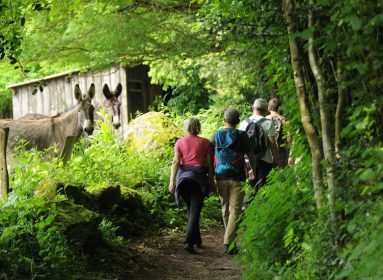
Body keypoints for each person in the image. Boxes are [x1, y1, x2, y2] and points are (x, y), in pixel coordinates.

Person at [212, 108, 257, 255]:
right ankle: (229, 242)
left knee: (225, 209)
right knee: (235, 211)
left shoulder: (216, 135)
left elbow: (209, 155)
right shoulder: (241, 135)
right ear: (237, 121)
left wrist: (210, 174)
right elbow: (251, 155)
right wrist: (254, 170)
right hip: (237, 177)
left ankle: (229, 239)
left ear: (224, 120)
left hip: (220, 176)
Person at [169, 117, 215, 254]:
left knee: (191, 210)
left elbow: (176, 162)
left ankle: (197, 239)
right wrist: (212, 181)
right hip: (198, 180)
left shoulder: (180, 142)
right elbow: (210, 165)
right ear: (198, 127)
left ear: (186, 127)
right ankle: (189, 242)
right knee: (194, 211)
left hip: (183, 181)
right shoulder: (206, 143)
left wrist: (172, 181)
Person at [239, 98, 280, 204]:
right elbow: (273, 146)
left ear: (253, 108)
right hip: (265, 161)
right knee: (263, 189)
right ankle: (262, 209)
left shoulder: (244, 123)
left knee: (250, 186)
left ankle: (246, 209)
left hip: (248, 161)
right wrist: (278, 162)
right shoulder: (268, 123)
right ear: (266, 109)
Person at [266, 98, 292, 168]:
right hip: (283, 154)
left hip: (268, 156)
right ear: (279, 108)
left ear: (268, 108)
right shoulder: (285, 121)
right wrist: (291, 156)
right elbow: (289, 140)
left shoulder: (264, 120)